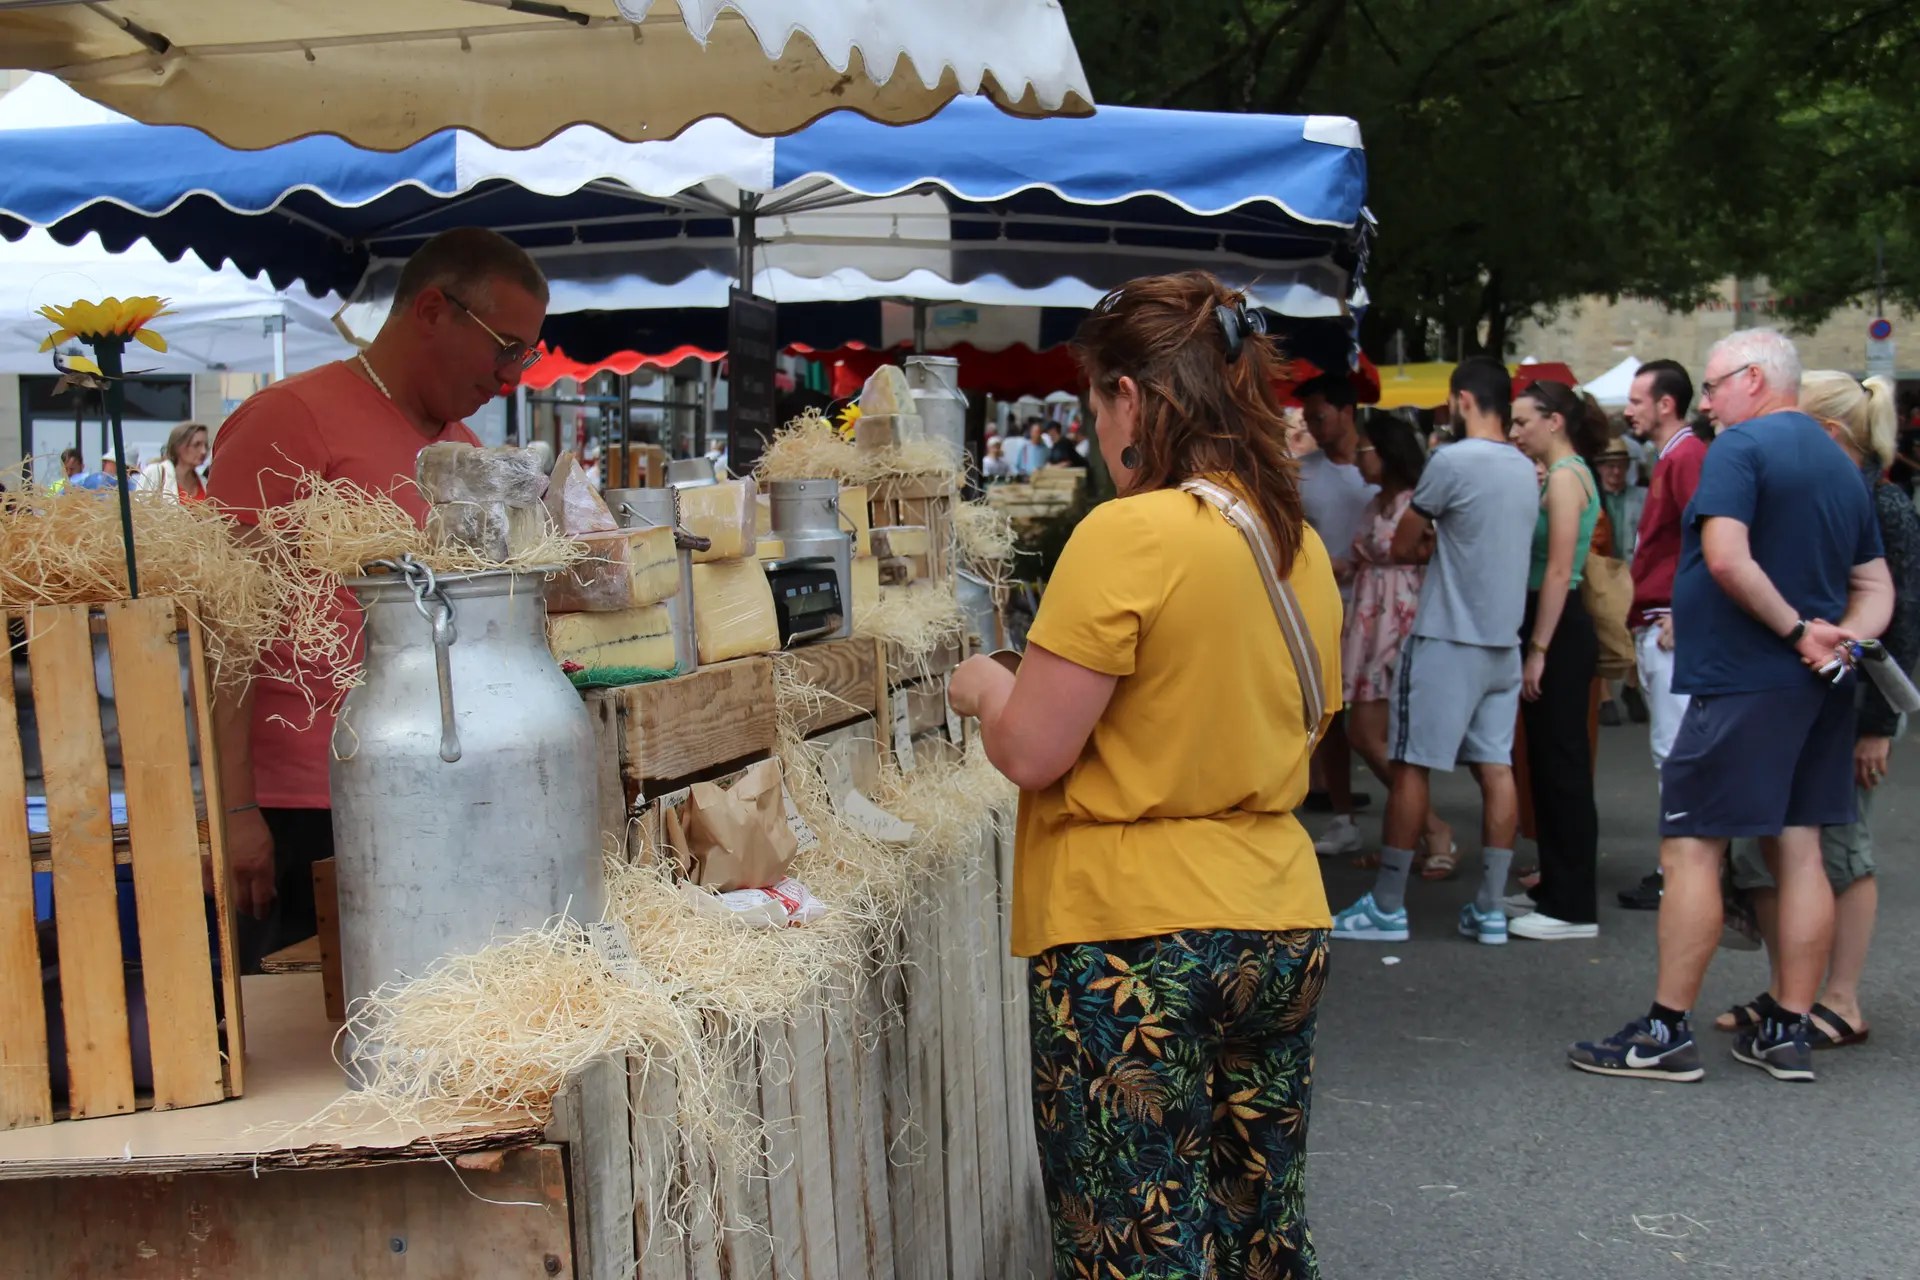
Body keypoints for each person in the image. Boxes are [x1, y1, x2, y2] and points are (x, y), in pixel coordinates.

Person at [948, 271, 1340, 1280]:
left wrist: (986, 682)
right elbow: (1311, 717)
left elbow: (1034, 749)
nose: (1092, 425)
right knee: (1261, 1234)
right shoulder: (1293, 541)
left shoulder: (1127, 532)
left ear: (1131, 396)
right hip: (1276, 914)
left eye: (1092, 400)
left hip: (1132, 940)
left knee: (1133, 1242)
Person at [207, 226, 549, 968]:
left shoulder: (461, 452)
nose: (511, 376)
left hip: (429, 786)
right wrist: (234, 810)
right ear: (433, 311)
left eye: (526, 354)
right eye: (505, 347)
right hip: (302, 806)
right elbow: (221, 626)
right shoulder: (290, 419)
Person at [1569, 329, 1893, 1084]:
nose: (1705, 402)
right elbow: (1875, 588)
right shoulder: (1841, 464)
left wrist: (1798, 631)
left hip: (1746, 679)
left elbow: (1724, 555)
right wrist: (1839, 641)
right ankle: (1788, 1028)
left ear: (1754, 379)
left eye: (1713, 385)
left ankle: (1664, 1032)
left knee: (1691, 850)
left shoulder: (1742, 450)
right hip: (1816, 686)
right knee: (1801, 846)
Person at [1714, 372, 1920, 1049]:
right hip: (1789, 692)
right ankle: (1788, 991)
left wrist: (1878, 728)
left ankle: (1841, 997)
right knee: (1761, 849)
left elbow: (1901, 621)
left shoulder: (1882, 503)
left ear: (1828, 430)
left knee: (1841, 852)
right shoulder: (1821, 489)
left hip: (1846, 700)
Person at [1332, 357, 1539, 945]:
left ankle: (1389, 906)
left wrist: (1431, 543)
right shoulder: (1525, 467)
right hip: (1504, 639)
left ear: (1465, 399)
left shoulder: (1451, 460)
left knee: (1411, 764)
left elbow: (1402, 543)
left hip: (1448, 634)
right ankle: (1490, 908)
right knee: (1496, 771)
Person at [1501, 381, 1604, 941]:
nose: (1516, 433)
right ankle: (1555, 888)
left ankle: (1572, 905)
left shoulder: (1567, 478)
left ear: (1555, 421)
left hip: (1558, 624)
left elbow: (1561, 570)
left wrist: (1538, 649)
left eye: (1523, 422)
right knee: (1547, 761)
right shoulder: (1562, 476)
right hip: (1550, 621)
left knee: (1561, 766)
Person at [1338, 414, 1453, 866]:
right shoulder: (1376, 503)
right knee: (1373, 735)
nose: (1359, 456)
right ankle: (1412, 835)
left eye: (1366, 448)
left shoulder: (1415, 502)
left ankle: (1428, 830)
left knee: (1375, 735)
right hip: (1371, 618)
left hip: (1400, 620)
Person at [1615, 359, 1708, 910]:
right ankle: (1681, 867)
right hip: (1664, 619)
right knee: (1673, 753)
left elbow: (1710, 532)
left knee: (1674, 754)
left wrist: (1686, 610)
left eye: (1636, 400)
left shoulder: (1686, 455)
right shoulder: (1678, 455)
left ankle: (1681, 871)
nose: (1628, 410)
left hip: (1671, 623)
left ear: (1665, 404)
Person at [1296, 374, 1380, 855]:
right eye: (1308, 418)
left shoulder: (1378, 469)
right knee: (1330, 710)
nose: (1313, 426)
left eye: (1320, 416)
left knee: (1375, 720)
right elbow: (1285, 540)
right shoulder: (1301, 472)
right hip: (1325, 606)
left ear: (1347, 412)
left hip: (1381, 609)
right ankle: (1342, 813)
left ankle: (1411, 814)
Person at [135, 422, 210, 503]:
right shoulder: (156, 473)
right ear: (178, 447)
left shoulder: (204, 483)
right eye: (196, 445)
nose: (204, 451)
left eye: (206, 445)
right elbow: (138, 510)